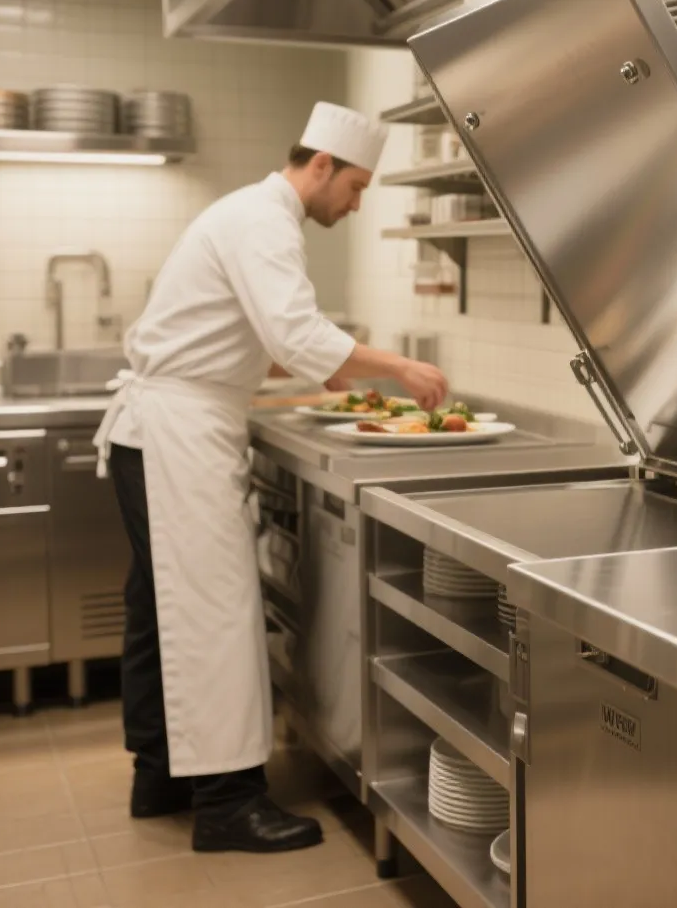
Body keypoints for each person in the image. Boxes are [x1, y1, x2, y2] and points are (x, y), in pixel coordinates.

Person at [93, 103, 449, 852]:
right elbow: (294, 331)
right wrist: (400, 366)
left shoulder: (250, 214)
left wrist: (328, 371)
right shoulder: (264, 218)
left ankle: (158, 778)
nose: (354, 206)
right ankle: (226, 804)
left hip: (160, 433)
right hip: (177, 437)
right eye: (354, 188)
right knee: (212, 612)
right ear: (319, 165)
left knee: (159, 613)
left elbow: (268, 340)